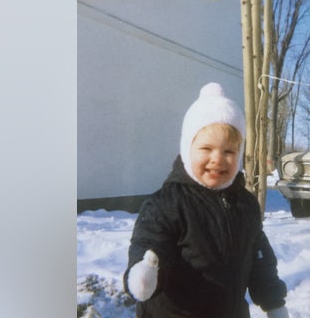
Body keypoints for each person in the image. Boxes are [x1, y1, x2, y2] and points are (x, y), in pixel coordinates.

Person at [123, 82, 289, 318]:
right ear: (187, 149)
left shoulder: (245, 204)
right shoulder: (167, 204)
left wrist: (273, 302)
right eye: (206, 149)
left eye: (229, 152)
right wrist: (146, 272)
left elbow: (259, 260)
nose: (218, 159)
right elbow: (150, 242)